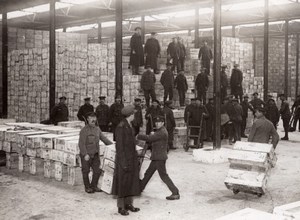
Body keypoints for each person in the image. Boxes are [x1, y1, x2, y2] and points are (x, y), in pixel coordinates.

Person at [137, 115, 180, 200]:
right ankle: (140, 188)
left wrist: (138, 136)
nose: (157, 124)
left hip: (159, 158)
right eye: (156, 122)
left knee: (163, 176)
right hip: (157, 157)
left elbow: (150, 138)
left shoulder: (162, 132)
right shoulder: (159, 130)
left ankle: (175, 192)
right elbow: (153, 136)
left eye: (159, 122)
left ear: (163, 123)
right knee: (148, 173)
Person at [112, 105, 141, 216]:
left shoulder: (129, 125)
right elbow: (119, 147)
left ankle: (129, 204)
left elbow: (130, 142)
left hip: (131, 158)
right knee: (122, 183)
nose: (134, 115)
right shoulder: (121, 127)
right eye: (134, 113)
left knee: (131, 181)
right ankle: (121, 207)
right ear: (130, 115)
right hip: (124, 160)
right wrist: (123, 162)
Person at [78, 112, 113, 194]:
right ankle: (87, 187)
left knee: (97, 171)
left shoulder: (97, 129)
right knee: (86, 171)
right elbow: (81, 144)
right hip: (87, 155)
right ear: (88, 119)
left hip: (95, 154)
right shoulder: (84, 130)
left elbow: (104, 139)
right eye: (91, 118)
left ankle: (94, 186)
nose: (93, 119)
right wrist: (85, 154)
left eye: (94, 117)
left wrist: (113, 146)